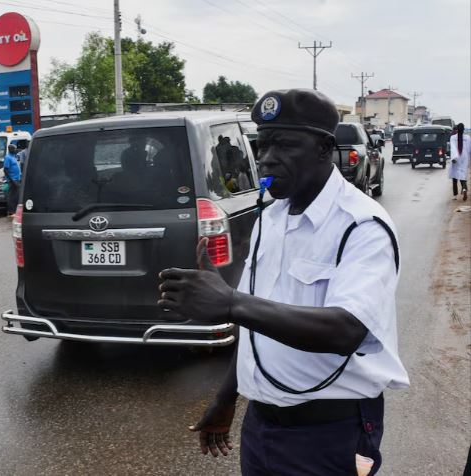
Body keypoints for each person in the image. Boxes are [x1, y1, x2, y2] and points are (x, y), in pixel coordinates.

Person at [158, 89, 409, 475]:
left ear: (325, 149)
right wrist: (227, 398)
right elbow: (256, 319)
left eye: (284, 146)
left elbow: (346, 330)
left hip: (330, 434)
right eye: (263, 145)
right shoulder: (270, 219)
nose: (266, 158)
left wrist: (230, 302)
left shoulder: (361, 226)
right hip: (261, 426)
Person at [449, 123, 469, 201]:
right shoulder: (467, 138)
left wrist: (454, 157)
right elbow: (469, 149)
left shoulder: (453, 137)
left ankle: (455, 195)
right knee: (463, 175)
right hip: (464, 158)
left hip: (456, 157)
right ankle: (464, 189)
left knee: (455, 176)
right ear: (464, 129)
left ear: (457, 129)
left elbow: (452, 148)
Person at [3, 144, 22, 216]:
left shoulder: (14, 156)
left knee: (17, 196)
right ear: (10, 149)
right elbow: (5, 170)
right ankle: (11, 211)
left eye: (15, 149)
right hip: (12, 180)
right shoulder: (7, 157)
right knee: (12, 196)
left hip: (17, 179)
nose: (15, 150)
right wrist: (11, 180)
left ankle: (15, 211)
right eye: (14, 149)